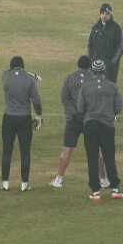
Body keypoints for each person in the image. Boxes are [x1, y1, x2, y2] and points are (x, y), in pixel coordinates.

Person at [77, 59, 123, 201]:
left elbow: (80, 108)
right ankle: (115, 189)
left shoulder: (85, 87)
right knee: (109, 157)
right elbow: (119, 106)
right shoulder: (112, 87)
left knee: (92, 158)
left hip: (90, 125)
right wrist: (110, 114)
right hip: (107, 125)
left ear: (92, 71)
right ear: (104, 71)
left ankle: (95, 191)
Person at [0, 55, 43, 191]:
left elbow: (11, 72)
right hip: (24, 117)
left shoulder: (5, 76)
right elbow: (36, 100)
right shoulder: (29, 80)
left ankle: (5, 183)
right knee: (25, 152)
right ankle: (24, 184)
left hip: (8, 117)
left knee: (7, 151)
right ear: (23, 66)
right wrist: (39, 116)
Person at [51, 55, 92, 188]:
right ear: (90, 66)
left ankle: (59, 180)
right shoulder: (93, 79)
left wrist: (74, 112)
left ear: (78, 65)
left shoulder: (70, 78)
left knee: (66, 151)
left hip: (72, 120)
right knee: (96, 151)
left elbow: (64, 97)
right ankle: (103, 180)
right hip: (89, 120)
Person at [87, 3, 123, 83]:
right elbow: (89, 44)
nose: (104, 16)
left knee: (109, 91)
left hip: (109, 69)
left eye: (107, 13)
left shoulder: (117, 28)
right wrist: (90, 60)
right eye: (103, 13)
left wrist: (112, 63)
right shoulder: (95, 27)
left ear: (110, 15)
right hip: (94, 67)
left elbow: (121, 47)